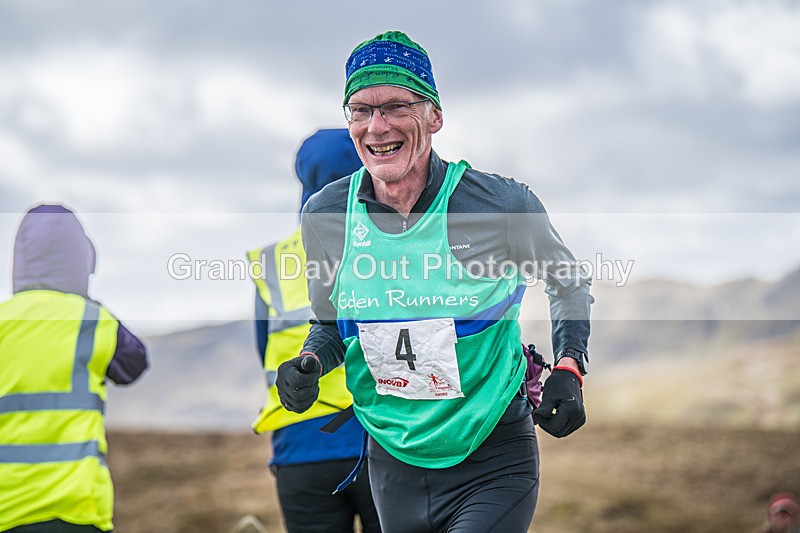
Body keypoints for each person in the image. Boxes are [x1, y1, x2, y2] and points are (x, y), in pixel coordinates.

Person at [276, 31, 593, 532]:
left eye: (396, 107)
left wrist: (570, 367)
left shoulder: (498, 205)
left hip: (492, 457)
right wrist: (310, 364)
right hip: (392, 461)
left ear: (435, 117)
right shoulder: (326, 214)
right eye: (360, 110)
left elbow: (568, 282)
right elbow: (333, 323)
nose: (376, 127)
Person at [247, 129, 381, 533]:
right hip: (384, 443)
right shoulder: (388, 248)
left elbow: (265, 350)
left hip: (300, 451)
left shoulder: (273, 263)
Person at [0, 204, 148, 532]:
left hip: (5, 512)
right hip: (77, 510)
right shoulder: (92, 319)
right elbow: (134, 364)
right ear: (81, 259)